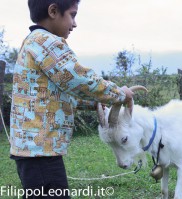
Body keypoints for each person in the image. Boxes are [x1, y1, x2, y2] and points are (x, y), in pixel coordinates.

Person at [10, 0, 134, 198]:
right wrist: (118, 94)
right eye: (72, 15)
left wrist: (93, 103)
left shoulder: (32, 42)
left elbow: (57, 94)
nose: (74, 24)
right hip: (42, 152)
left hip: (32, 151)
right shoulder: (46, 42)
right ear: (53, 11)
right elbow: (79, 78)